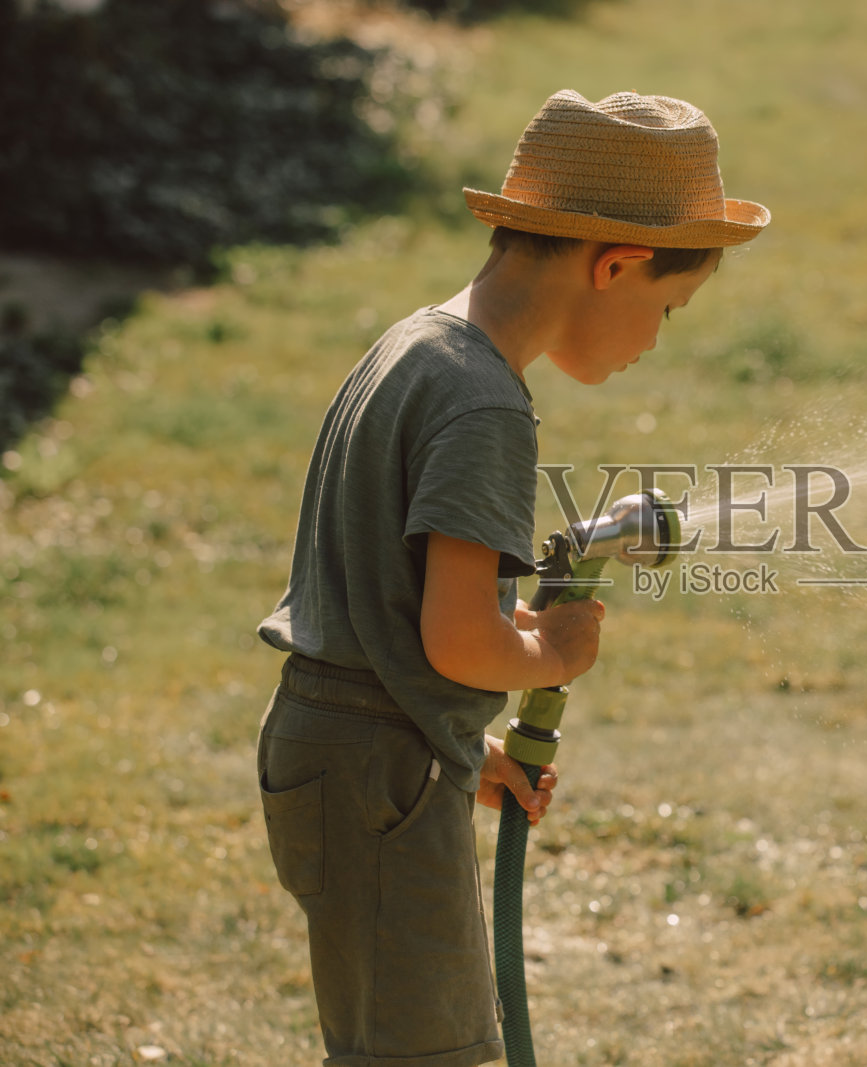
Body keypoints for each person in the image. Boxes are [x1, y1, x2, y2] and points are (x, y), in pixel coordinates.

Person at [253, 89, 769, 1067]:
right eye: (665, 307)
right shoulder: (488, 403)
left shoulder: (413, 345)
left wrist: (465, 739)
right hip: (380, 774)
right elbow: (460, 638)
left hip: (343, 747)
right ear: (614, 264)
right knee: (424, 1054)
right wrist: (550, 646)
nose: (657, 337)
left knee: (385, 1043)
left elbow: (394, 605)